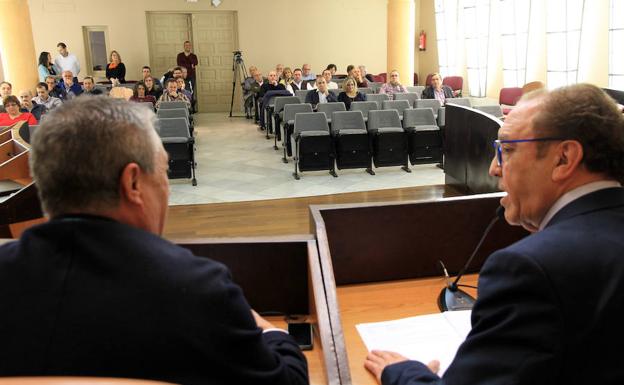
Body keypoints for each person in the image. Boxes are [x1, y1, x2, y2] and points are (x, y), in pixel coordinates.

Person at [0, 97, 309, 385]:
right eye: (163, 170)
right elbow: (289, 379)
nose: (168, 189)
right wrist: (267, 330)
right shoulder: (197, 290)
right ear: (133, 183)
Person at [364, 83, 624, 385]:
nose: (493, 168)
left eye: (507, 151)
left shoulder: (530, 270)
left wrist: (404, 372)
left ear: (564, 158)